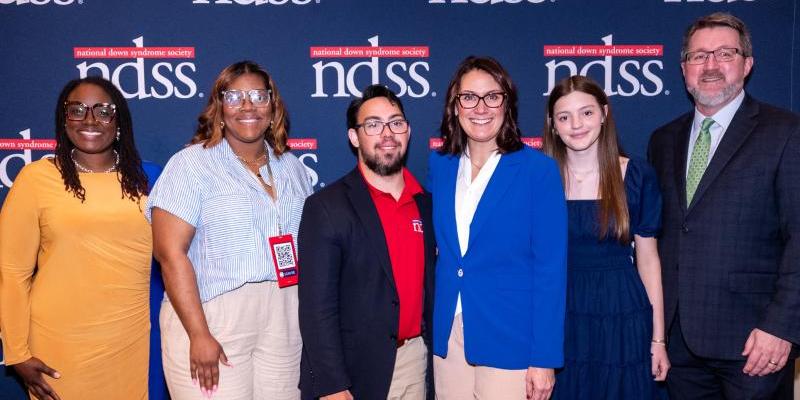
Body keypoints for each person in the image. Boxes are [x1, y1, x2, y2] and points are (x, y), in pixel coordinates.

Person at [648, 12, 800, 399]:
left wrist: (782, 327)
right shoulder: (663, 140)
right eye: (699, 56)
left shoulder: (785, 132)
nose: (711, 65)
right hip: (679, 344)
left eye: (725, 53)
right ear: (684, 68)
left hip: (754, 344)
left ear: (747, 65)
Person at [147, 60, 312, 399]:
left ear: (273, 106)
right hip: (213, 316)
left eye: (258, 96)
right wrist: (198, 334)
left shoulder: (293, 168)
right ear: (219, 107)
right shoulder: (191, 164)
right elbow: (169, 253)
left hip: (284, 316)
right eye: (235, 97)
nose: (248, 106)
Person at [0, 76, 158, 400]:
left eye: (103, 110)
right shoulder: (37, 179)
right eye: (77, 110)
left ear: (119, 121)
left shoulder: (150, 180)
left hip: (133, 345)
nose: (89, 120)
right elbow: (12, 271)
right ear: (64, 119)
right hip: (58, 345)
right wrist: (17, 353)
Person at [427, 56, 567, 400]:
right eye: (469, 97)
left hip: (512, 337)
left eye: (493, 96)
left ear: (507, 103)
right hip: (450, 333)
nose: (481, 107)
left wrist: (544, 359)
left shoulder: (538, 172)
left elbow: (551, 270)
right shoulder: (440, 167)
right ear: (455, 106)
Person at [298, 84, 436, 400]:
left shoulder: (425, 204)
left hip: (415, 362)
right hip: (353, 372)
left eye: (396, 122)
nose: (387, 133)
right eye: (373, 124)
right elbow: (317, 307)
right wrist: (332, 384)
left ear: (408, 131)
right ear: (354, 137)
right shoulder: (326, 207)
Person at [543, 75, 670, 399]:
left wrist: (658, 341)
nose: (576, 124)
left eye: (586, 113)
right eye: (564, 117)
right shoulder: (540, 180)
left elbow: (648, 260)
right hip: (562, 313)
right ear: (553, 125)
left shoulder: (637, 175)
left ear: (604, 113)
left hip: (622, 312)